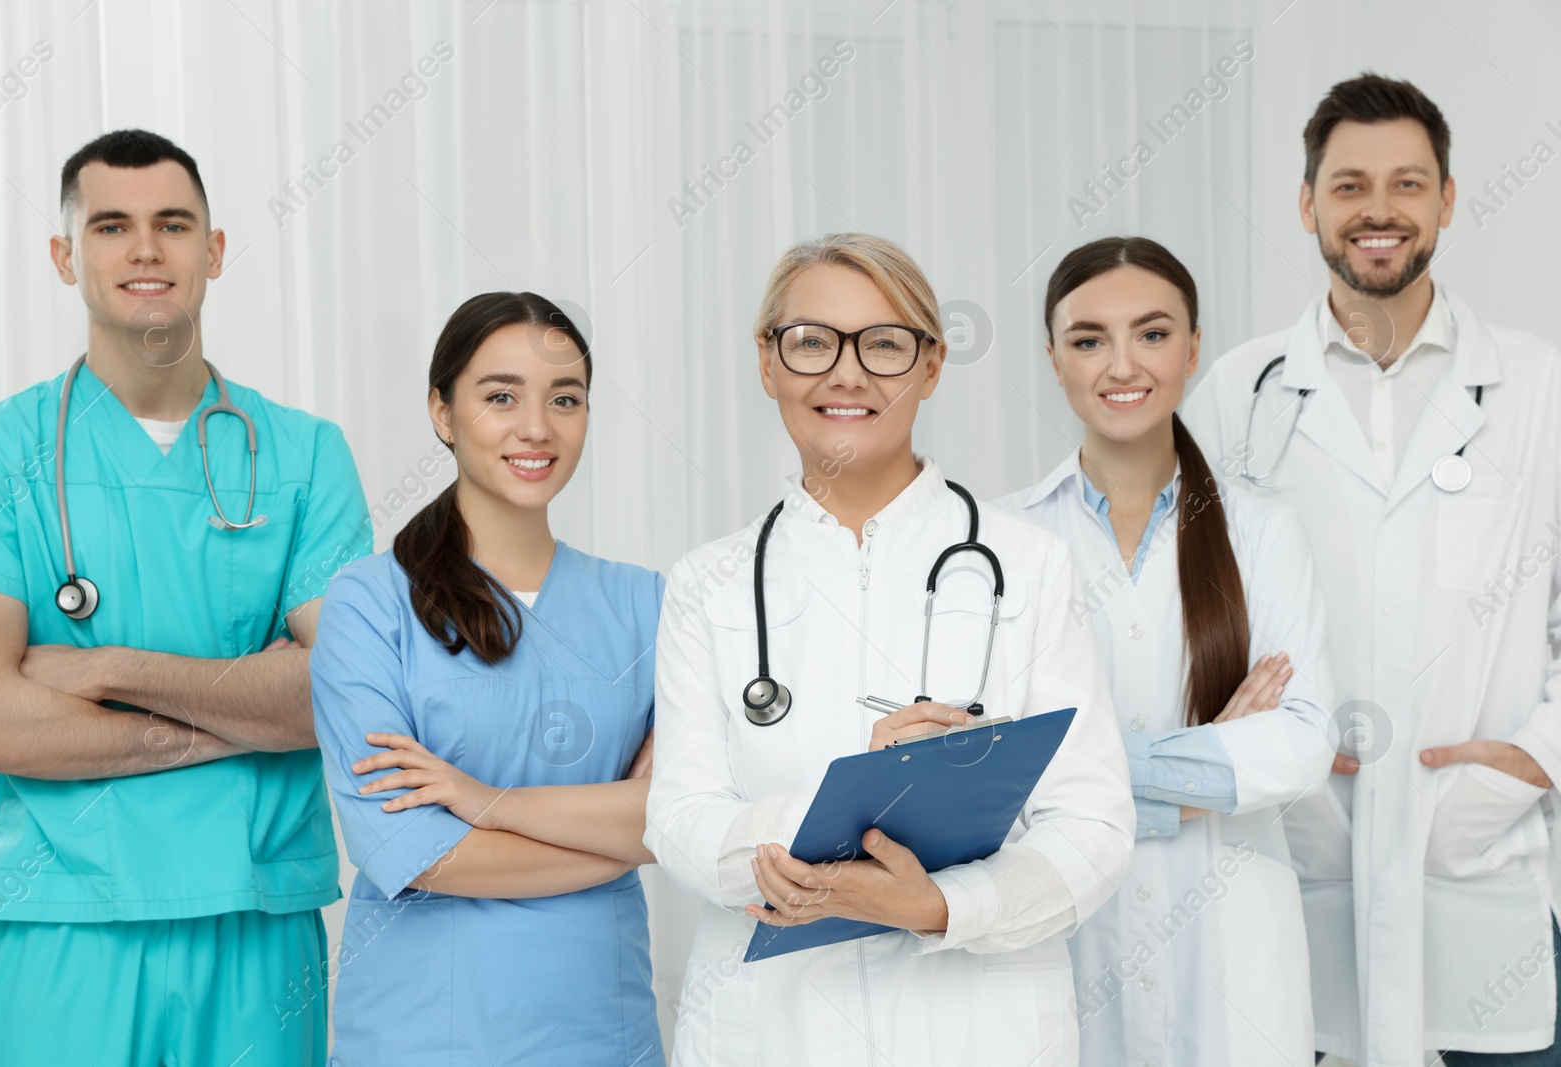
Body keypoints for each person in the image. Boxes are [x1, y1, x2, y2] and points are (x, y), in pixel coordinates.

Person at [645, 232, 1135, 1066]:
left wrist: (940, 904)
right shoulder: (707, 584)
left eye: (883, 343)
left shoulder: (1029, 565)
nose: (846, 372)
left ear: (931, 366)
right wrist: (818, 837)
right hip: (771, 1032)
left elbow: (1092, 824)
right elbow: (680, 816)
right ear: (767, 364)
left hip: (980, 1029)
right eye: (810, 343)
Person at [0, 129, 370, 1064]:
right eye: (111, 225)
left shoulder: (304, 455)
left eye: (173, 224)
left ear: (215, 250)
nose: (145, 249)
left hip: (258, 925)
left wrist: (108, 668)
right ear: (66, 256)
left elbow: (338, 691)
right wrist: (239, 716)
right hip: (62, 924)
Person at [1185, 74, 1561, 1065]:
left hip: (1472, 862)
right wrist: (1263, 744)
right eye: (1349, 185)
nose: (1378, 210)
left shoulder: (1536, 386)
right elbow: (1190, 605)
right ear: (1307, 205)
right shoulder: (1239, 390)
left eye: (1406, 183)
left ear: (1445, 198)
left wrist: (1537, 756)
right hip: (1306, 851)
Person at [996, 236, 1335, 1064]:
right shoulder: (1001, 540)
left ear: (1192, 348)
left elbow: (1301, 741)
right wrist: (1215, 752)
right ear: (1053, 359)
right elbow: (988, 766)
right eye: (1088, 339)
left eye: (1151, 334)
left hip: (1236, 958)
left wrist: (1082, 774)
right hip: (1067, 944)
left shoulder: (1263, 530)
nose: (1122, 364)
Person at [310, 292, 665, 1066]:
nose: (536, 427)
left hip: (597, 1029)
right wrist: (624, 840)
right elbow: (413, 849)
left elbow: (688, 808)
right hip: (420, 1033)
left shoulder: (648, 605)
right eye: (500, 396)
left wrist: (484, 802)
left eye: (564, 399)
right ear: (442, 411)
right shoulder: (370, 604)